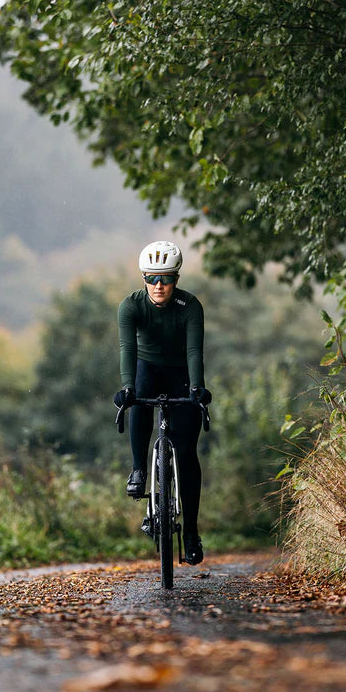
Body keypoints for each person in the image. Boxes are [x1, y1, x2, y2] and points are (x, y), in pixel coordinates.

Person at [114, 240, 211, 565]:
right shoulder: (131, 306)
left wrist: (197, 388)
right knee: (138, 399)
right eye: (151, 278)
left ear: (176, 279)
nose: (158, 285)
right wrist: (128, 388)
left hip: (181, 372)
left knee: (186, 453)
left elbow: (195, 351)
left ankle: (191, 533)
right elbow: (127, 349)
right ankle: (139, 469)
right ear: (143, 278)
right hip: (147, 369)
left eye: (166, 278)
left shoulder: (190, 306)